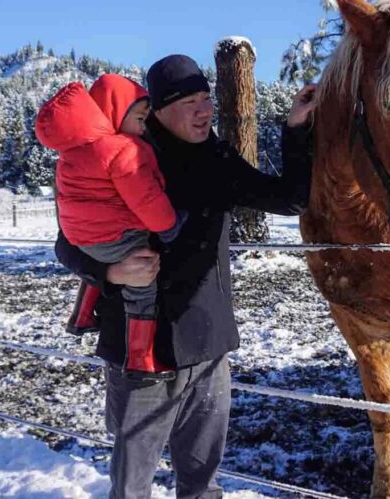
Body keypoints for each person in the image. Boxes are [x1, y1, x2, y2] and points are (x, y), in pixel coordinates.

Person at [54, 54, 317, 499]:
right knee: (132, 484)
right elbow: (66, 243)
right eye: (189, 101)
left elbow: (289, 198)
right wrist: (110, 270)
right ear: (156, 110)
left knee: (201, 482)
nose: (204, 110)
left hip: (207, 346)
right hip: (140, 354)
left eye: (207, 99)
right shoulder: (122, 151)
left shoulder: (216, 159)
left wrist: (295, 129)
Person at [35, 74, 185, 380]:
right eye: (140, 119)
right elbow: (146, 200)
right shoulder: (124, 150)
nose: (144, 127)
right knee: (142, 286)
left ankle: (81, 316)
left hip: (84, 238)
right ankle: (140, 361)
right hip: (118, 235)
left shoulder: (73, 152)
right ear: (115, 111)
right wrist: (169, 225)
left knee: (104, 261)